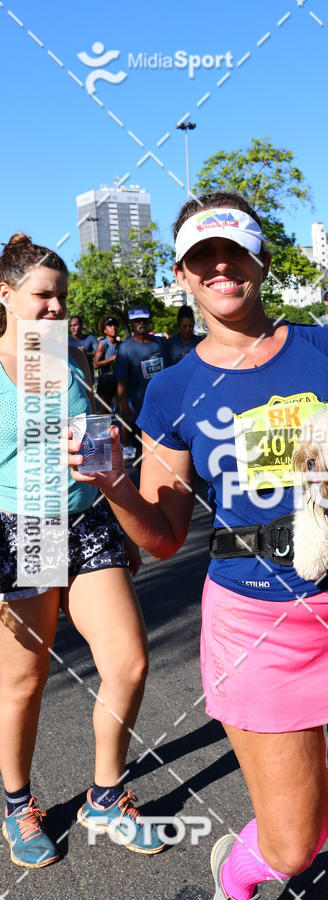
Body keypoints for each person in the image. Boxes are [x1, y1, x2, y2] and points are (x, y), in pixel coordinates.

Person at [68, 191, 328, 900]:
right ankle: (235, 876)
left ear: (261, 260)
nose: (221, 267)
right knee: (294, 845)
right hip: (260, 624)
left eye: (234, 252)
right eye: (202, 257)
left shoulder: (327, 345)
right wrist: (114, 483)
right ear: (181, 275)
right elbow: (167, 536)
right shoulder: (173, 390)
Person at [0, 234, 164, 869]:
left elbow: (90, 438)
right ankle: (18, 804)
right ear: (6, 294)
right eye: (43, 296)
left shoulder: (65, 361)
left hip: (84, 521)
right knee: (25, 682)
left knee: (126, 662)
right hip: (22, 528)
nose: (54, 309)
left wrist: (122, 519)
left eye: (61, 299)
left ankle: (105, 794)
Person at [113, 308, 168, 460]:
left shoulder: (159, 343)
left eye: (144, 320)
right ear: (131, 323)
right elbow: (121, 381)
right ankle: (142, 482)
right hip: (139, 409)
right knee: (142, 449)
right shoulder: (126, 347)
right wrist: (123, 406)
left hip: (163, 407)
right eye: (137, 321)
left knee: (165, 446)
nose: (141, 323)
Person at [93, 313, 119, 411]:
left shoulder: (121, 344)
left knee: (125, 413)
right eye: (110, 325)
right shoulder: (103, 344)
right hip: (105, 380)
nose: (113, 328)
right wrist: (112, 359)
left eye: (115, 325)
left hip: (119, 379)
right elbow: (95, 364)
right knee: (105, 411)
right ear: (105, 330)